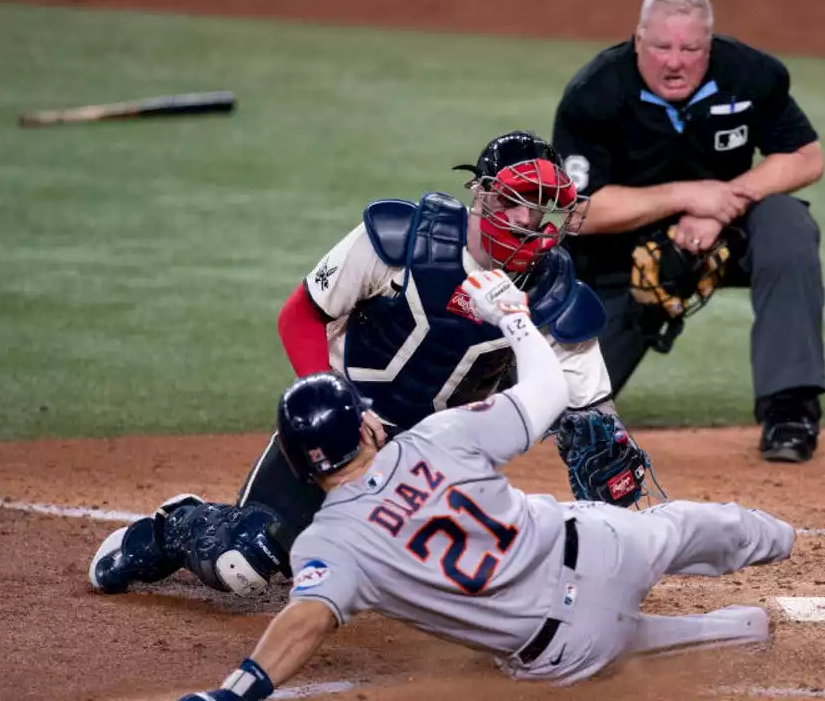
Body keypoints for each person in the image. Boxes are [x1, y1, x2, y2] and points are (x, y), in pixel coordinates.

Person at [173, 269, 796, 699]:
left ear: (297, 460)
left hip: (565, 651)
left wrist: (237, 691)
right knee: (686, 527)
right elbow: (550, 394)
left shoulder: (327, 547)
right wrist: (515, 320)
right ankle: (783, 537)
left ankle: (722, 631)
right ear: (364, 426)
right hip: (607, 547)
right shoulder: (435, 437)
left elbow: (305, 621)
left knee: (620, 641)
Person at [88, 131, 659, 599]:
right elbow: (300, 317)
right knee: (247, 560)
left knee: (489, 583)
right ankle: (175, 529)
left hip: (435, 464)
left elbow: (592, 422)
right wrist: (340, 405)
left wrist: (616, 522)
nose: (532, 226)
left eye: (548, 213)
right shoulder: (398, 243)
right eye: (519, 205)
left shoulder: (557, 298)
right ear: (482, 195)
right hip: (340, 435)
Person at [551, 0, 825, 463]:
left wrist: (726, 200)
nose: (674, 61)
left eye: (690, 48)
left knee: (786, 226)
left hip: (727, 229)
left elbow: (806, 157)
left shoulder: (749, 75)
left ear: (710, 46)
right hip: (622, 246)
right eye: (661, 46)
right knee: (561, 411)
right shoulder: (595, 93)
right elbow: (580, 211)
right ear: (638, 41)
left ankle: (791, 411)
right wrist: (686, 195)